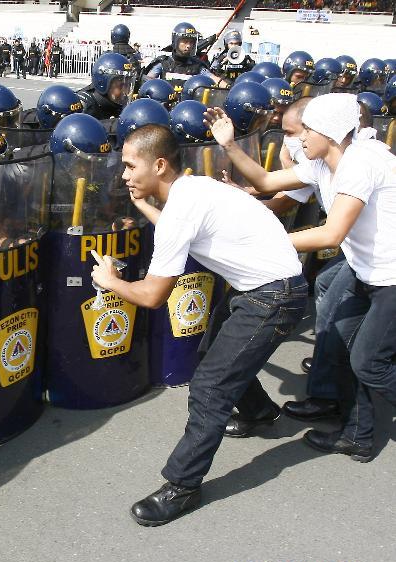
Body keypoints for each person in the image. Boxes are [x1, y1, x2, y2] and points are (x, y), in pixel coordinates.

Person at [90, 123, 306, 526]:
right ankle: (261, 413)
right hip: (265, 286)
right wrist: (144, 206)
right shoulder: (194, 189)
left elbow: (154, 296)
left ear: (157, 165)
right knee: (213, 354)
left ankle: (182, 486)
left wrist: (112, 282)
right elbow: (180, 226)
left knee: (209, 386)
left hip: (273, 296)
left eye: (128, 165)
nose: (123, 175)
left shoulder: (182, 208)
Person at [207, 94, 396, 460]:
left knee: (368, 362)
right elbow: (263, 179)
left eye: (307, 129)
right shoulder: (321, 164)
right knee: (344, 349)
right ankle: (358, 436)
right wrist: (229, 144)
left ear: (329, 131)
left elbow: (330, 235)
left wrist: (267, 242)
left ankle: (358, 429)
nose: (299, 138)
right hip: (365, 271)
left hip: (391, 277)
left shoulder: (361, 162)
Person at [78, 52, 137, 120]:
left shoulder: (119, 106)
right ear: (102, 82)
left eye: (128, 83)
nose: (125, 90)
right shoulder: (84, 106)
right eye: (121, 83)